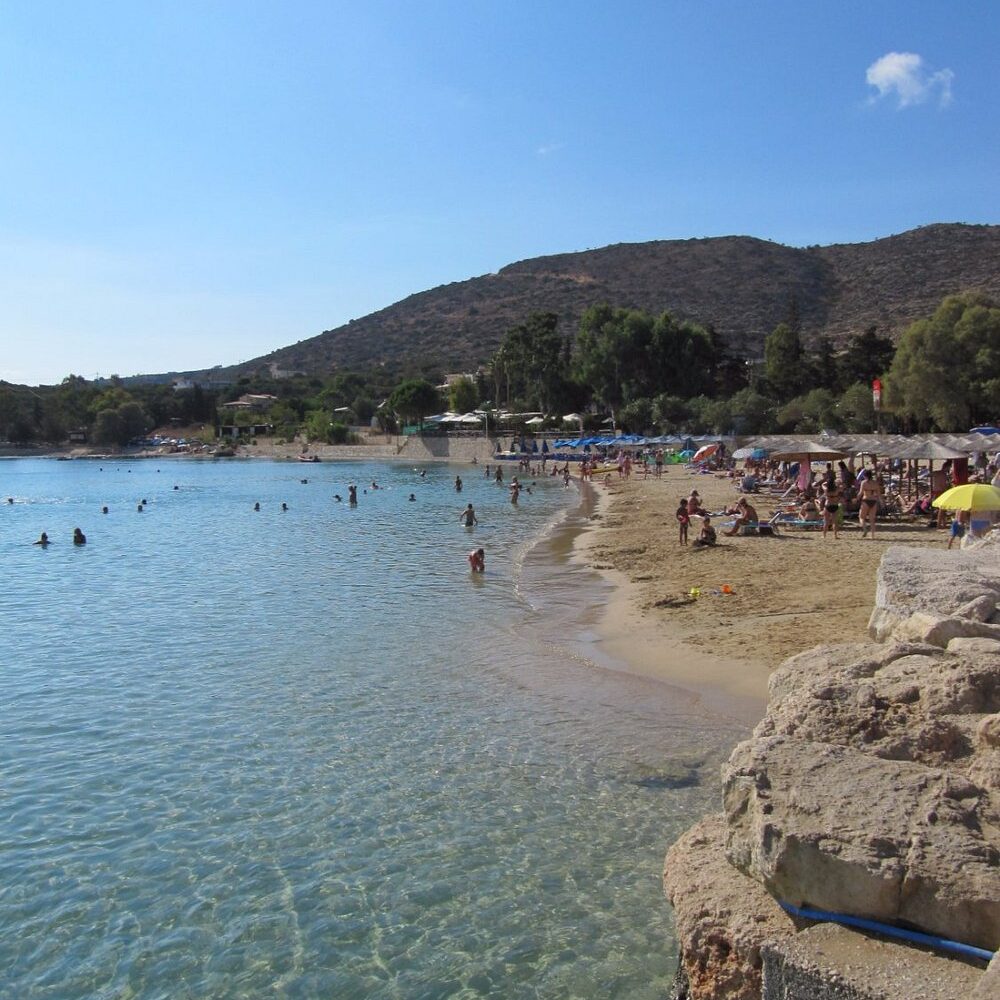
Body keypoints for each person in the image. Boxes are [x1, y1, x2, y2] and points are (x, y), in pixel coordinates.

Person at [857, 471, 881, 538]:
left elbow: (861, 493)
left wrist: (856, 499)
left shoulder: (864, 482)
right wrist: (882, 502)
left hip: (866, 500)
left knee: (861, 517)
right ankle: (872, 535)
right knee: (872, 519)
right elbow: (879, 494)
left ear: (865, 476)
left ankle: (865, 529)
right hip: (873, 501)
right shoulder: (875, 483)